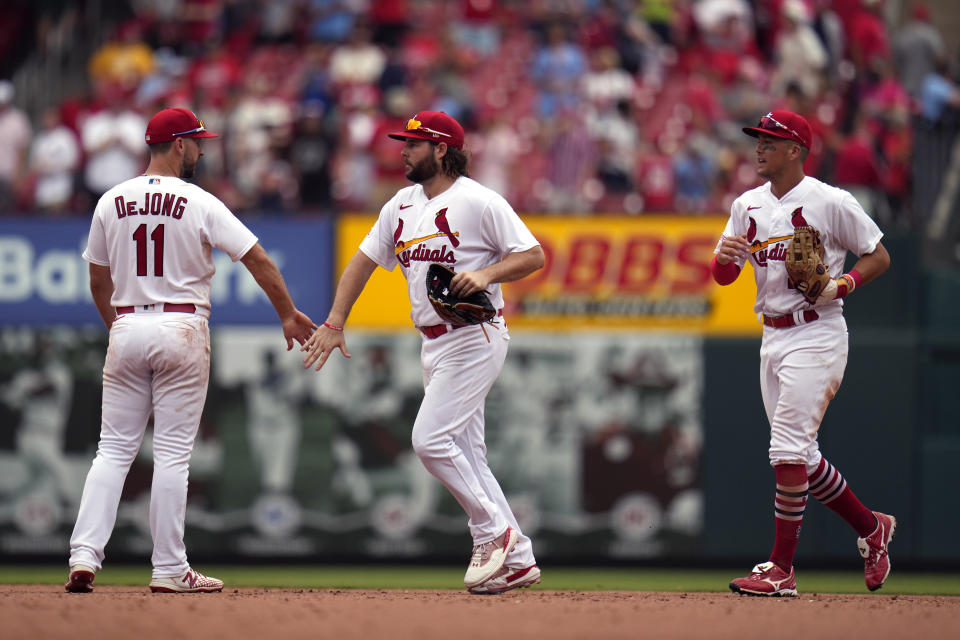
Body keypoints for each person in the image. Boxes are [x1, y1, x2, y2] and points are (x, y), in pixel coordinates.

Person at [65, 107, 316, 594]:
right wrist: (287, 312)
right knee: (173, 455)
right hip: (181, 323)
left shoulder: (111, 200)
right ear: (178, 144)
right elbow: (257, 258)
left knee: (113, 450)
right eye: (197, 141)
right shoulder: (197, 200)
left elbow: (98, 279)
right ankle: (168, 568)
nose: (202, 149)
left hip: (128, 322)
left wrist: (119, 327)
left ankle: (83, 556)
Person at [301, 110, 545, 595]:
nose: (403, 150)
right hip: (433, 342)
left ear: (441, 150)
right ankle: (518, 560)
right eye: (403, 143)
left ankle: (492, 531)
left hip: (475, 334)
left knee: (430, 441)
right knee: (470, 455)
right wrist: (334, 322)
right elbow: (363, 263)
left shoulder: (479, 201)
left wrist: (487, 274)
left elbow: (532, 255)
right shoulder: (401, 204)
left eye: (414, 144)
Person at [711, 110, 894, 597]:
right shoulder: (746, 205)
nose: (759, 148)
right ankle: (873, 529)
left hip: (818, 331)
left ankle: (781, 568)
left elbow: (878, 254)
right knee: (803, 457)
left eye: (769, 141)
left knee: (786, 450)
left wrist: (842, 284)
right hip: (772, 334)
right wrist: (724, 260)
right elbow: (724, 276)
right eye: (758, 140)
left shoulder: (831, 201)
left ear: (795, 150)